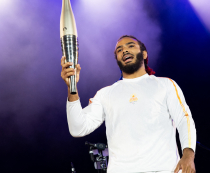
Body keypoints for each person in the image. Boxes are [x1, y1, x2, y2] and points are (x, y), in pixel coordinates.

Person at [61, 35, 196, 173]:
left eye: (130, 46)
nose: (124, 50)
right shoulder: (105, 94)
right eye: (119, 50)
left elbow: (184, 119)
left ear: (144, 54)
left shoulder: (165, 85)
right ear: (117, 60)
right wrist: (72, 87)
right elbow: (78, 128)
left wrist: (188, 155)